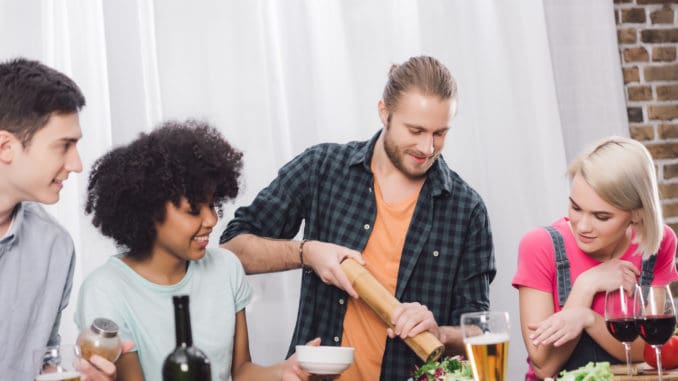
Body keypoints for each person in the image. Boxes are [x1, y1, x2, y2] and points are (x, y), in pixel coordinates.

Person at [220, 55, 496, 380]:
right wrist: (306, 252)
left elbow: (482, 334)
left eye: (440, 133)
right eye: (416, 130)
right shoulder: (321, 168)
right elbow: (231, 251)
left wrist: (441, 332)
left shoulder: (467, 209)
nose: (427, 147)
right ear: (384, 112)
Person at [75, 120, 315, 381]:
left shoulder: (226, 268)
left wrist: (283, 370)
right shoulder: (105, 290)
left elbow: (242, 371)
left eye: (212, 206)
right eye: (193, 210)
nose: (211, 220)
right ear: (149, 211)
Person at [0, 57, 131, 380]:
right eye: (64, 146)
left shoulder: (54, 247)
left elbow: (41, 361)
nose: (77, 164)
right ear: (5, 146)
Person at [512, 136, 678, 380]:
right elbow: (545, 366)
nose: (583, 227)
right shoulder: (540, 246)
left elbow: (651, 349)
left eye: (601, 216)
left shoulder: (657, 243)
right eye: (576, 208)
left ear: (637, 214)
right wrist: (585, 287)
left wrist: (588, 319)